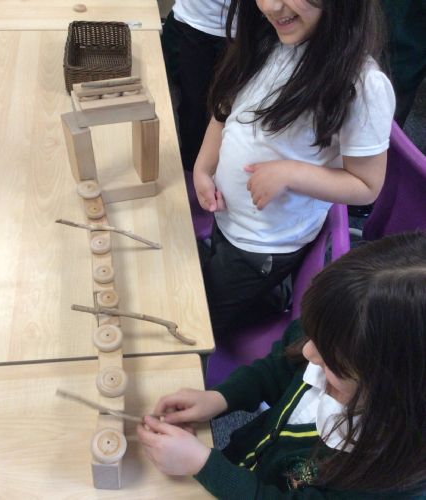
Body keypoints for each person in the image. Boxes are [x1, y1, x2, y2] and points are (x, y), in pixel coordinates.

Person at [137, 231, 426, 498]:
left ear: (394, 391)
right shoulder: (336, 333)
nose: (309, 352)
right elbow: (276, 368)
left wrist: (205, 466)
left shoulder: (385, 482)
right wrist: (220, 398)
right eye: (311, 336)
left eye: (332, 363)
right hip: (241, 465)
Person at [193, 0, 396, 341]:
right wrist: (203, 168)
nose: (271, 6)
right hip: (229, 219)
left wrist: (290, 173)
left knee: (195, 322)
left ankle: (273, 294)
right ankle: (265, 293)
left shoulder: (363, 86)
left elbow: (367, 185)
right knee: (202, 281)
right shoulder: (267, 39)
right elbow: (224, 112)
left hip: (262, 247)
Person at [161, 1, 235, 171]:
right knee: (193, 105)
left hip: (242, 30)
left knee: (232, 108)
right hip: (193, 23)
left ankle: (220, 171)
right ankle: (191, 169)